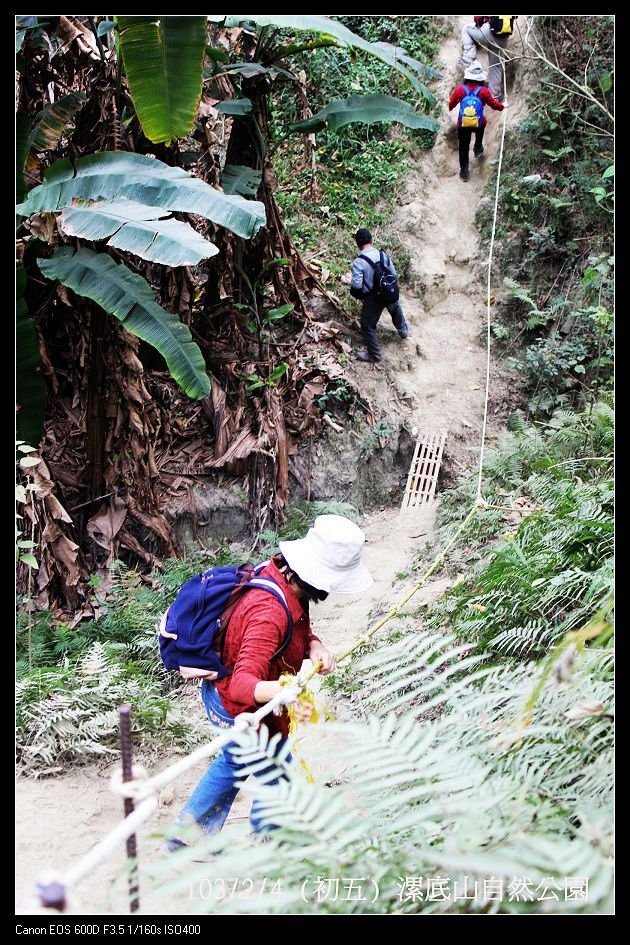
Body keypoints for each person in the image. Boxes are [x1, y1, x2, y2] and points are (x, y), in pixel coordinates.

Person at [164, 514, 373, 850]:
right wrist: (284, 691)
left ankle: (205, 837)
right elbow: (242, 685)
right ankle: (245, 841)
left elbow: (297, 630)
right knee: (273, 769)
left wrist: (313, 645)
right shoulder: (269, 612)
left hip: (254, 697)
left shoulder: (283, 576)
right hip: (235, 702)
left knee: (246, 760)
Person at [350, 227, 410, 364]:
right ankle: (403, 331)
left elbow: (356, 286)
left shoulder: (359, 262)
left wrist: (361, 296)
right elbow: (393, 274)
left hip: (374, 298)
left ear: (358, 244)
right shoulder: (383, 254)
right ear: (371, 240)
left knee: (367, 325)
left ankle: (374, 355)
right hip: (389, 291)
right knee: (395, 310)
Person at [448, 62, 505, 182]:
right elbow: (494, 104)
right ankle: (478, 147)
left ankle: (464, 172)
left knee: (463, 147)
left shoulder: (460, 90)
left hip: (463, 124)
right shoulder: (484, 91)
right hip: (478, 123)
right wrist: (503, 106)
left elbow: (451, 104)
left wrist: (450, 107)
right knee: (481, 127)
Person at [459, 15, 516, 103]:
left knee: (466, 29)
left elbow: (477, 18)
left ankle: (468, 57)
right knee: (496, 66)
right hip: (503, 39)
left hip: (487, 33)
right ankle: (494, 96)